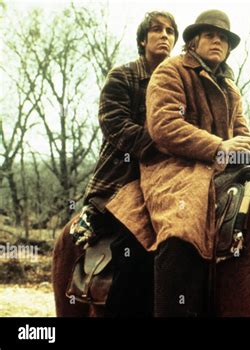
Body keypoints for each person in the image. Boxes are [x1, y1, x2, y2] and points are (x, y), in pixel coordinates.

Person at [139, 9, 250, 317]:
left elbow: (242, 131)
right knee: (182, 225)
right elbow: (164, 126)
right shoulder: (170, 72)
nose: (218, 42)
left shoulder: (230, 88)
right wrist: (220, 147)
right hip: (173, 168)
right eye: (210, 35)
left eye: (223, 38)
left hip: (223, 168)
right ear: (193, 42)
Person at [70, 11, 179, 316]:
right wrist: (165, 143)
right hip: (120, 182)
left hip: (169, 182)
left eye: (171, 32)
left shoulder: (179, 84)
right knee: (135, 250)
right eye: (157, 30)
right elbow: (115, 124)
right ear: (143, 39)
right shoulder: (124, 76)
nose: (165, 36)